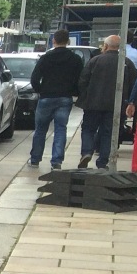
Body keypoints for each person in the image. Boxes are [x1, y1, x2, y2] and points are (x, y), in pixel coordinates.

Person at [75, 34, 135, 170]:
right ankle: (102, 162)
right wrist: (130, 103)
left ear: (106, 46)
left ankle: (87, 152)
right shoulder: (126, 63)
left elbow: (83, 81)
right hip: (116, 105)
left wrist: (85, 96)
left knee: (88, 129)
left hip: (93, 103)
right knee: (108, 133)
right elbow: (133, 85)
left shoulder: (95, 61)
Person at [28, 29, 84, 170]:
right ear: (68, 41)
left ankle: (35, 159)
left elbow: (34, 78)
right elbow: (80, 80)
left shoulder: (46, 57)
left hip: (46, 96)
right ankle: (56, 161)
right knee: (60, 129)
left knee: (40, 129)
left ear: (54, 40)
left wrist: (40, 90)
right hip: (65, 98)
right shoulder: (75, 59)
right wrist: (75, 92)